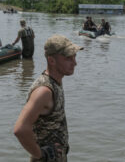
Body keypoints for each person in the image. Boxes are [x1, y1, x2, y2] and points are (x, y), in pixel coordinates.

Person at [14, 34, 83, 162]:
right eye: (68, 58)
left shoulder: (56, 82)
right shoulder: (44, 91)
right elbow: (20, 129)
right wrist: (40, 154)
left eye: (75, 57)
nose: (75, 63)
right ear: (51, 60)